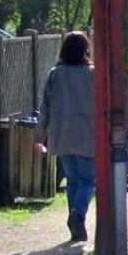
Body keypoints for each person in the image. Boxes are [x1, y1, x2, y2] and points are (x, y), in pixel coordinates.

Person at [38, 30, 96, 243]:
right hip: (88, 135)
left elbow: (45, 104)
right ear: (85, 50)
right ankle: (78, 214)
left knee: (73, 179)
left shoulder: (55, 73)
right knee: (89, 179)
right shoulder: (93, 74)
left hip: (62, 134)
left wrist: (40, 133)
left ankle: (74, 220)